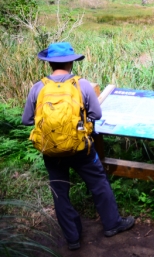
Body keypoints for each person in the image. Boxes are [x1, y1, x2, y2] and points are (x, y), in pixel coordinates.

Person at [22, 42, 134, 250]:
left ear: (49, 63)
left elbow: (27, 120)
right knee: (99, 183)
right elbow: (97, 115)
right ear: (71, 61)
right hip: (81, 148)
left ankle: (72, 238)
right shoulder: (82, 85)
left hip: (51, 151)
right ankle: (112, 224)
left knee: (59, 192)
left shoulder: (38, 88)